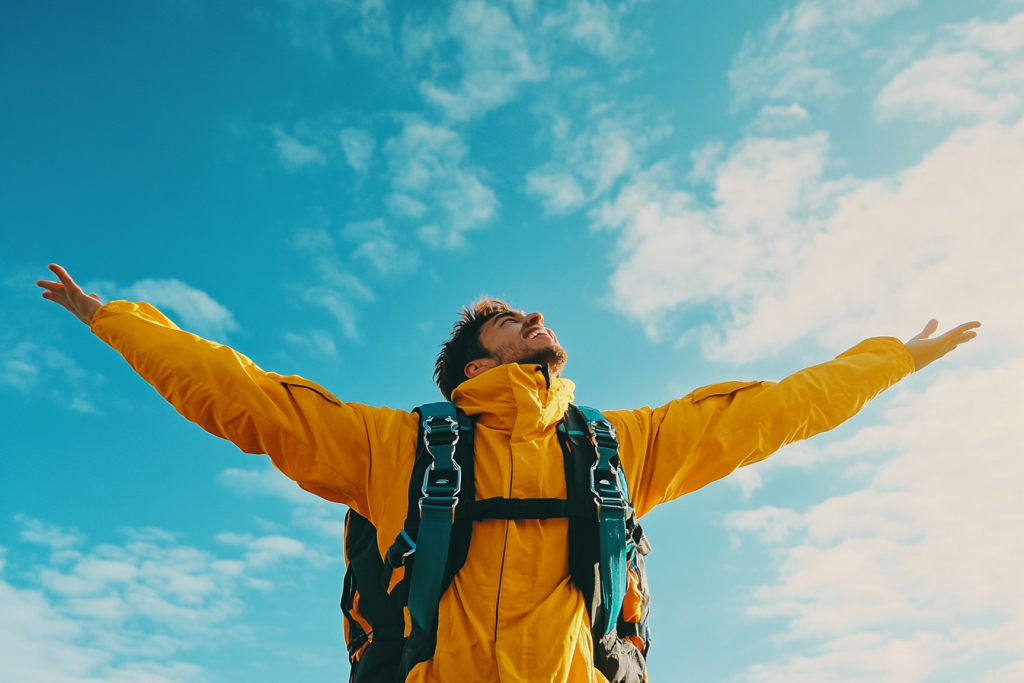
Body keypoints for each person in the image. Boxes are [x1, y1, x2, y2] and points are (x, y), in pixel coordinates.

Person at [37, 263, 979, 683]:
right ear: (476, 368)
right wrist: (120, 321)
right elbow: (242, 395)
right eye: (506, 318)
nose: (532, 313)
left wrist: (890, 358)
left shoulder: (623, 447)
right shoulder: (393, 446)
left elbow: (777, 409)